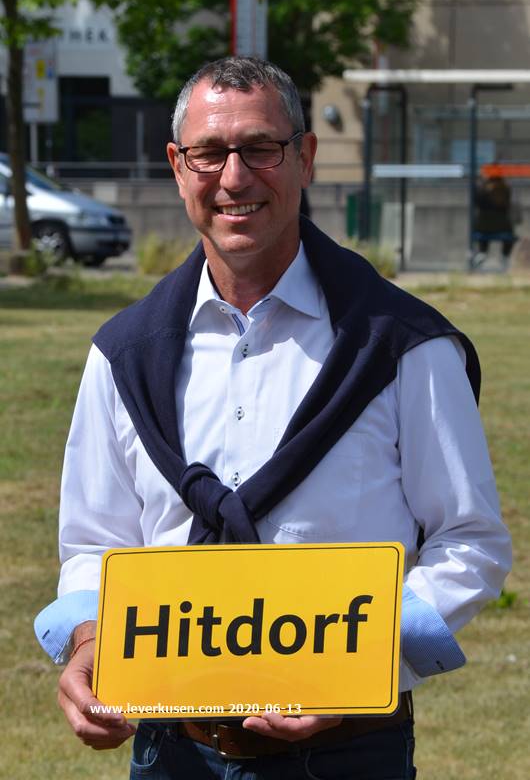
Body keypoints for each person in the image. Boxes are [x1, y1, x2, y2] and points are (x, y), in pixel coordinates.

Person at [35, 57, 511, 780]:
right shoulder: (122, 355)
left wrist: (354, 669)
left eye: (261, 148)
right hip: (170, 753)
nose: (234, 177)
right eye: (209, 153)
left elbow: (469, 542)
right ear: (177, 166)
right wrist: (90, 641)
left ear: (305, 157)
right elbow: (95, 544)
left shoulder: (405, 347)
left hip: (348, 755)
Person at [472, 174, 518, 270]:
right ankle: (505, 256)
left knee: (484, 231)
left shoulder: (483, 192)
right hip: (503, 227)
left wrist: (482, 185)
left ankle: (483, 253)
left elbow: (476, 201)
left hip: (483, 227)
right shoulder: (505, 191)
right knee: (508, 236)